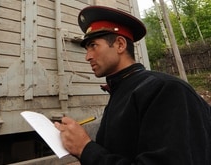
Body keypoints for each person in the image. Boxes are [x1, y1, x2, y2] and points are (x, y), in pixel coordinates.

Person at [54, 5, 211, 165]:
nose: (87, 57)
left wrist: (86, 149)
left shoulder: (165, 90)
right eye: (87, 49)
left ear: (120, 45)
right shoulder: (121, 92)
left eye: (93, 46)